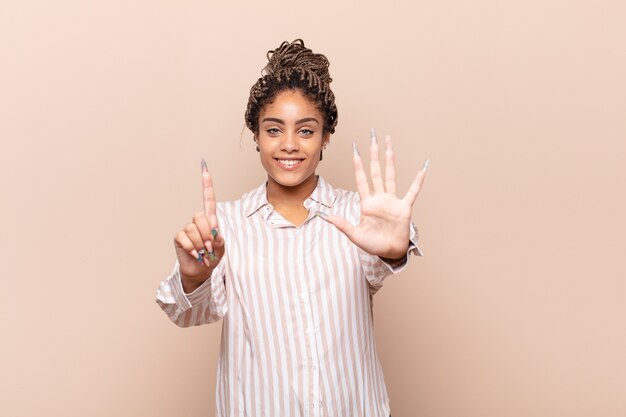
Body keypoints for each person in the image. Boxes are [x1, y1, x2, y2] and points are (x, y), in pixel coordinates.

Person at [156, 39, 428, 417]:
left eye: (305, 130)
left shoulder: (358, 215)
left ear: (325, 137)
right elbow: (185, 312)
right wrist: (194, 276)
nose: (288, 145)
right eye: (273, 130)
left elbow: (382, 257)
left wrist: (392, 249)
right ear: (255, 135)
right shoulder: (225, 227)